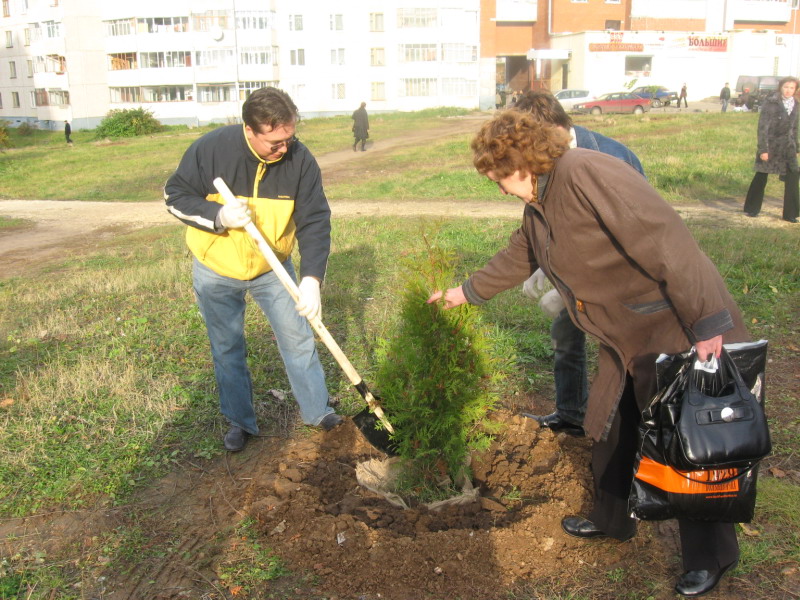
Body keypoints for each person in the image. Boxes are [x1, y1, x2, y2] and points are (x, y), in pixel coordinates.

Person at [427, 110, 749, 597]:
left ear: (525, 161)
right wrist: (466, 292)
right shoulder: (540, 198)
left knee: (688, 446)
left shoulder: (587, 173)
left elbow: (669, 242)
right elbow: (525, 250)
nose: (497, 187)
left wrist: (707, 323)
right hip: (622, 336)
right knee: (613, 428)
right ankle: (611, 519)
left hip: (671, 327)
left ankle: (713, 556)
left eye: (500, 177)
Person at [164, 86, 342, 452]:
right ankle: (239, 421)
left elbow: (315, 220)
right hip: (216, 267)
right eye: (275, 142)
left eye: (289, 138)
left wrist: (311, 279)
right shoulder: (211, 149)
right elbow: (174, 196)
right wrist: (218, 216)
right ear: (249, 130)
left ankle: (318, 411)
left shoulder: (300, 160)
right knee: (227, 346)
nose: (285, 148)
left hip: (272, 268)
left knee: (298, 338)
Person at [512, 91, 645, 436]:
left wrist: (580, 287)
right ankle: (571, 415)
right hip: (573, 270)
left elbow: (627, 241)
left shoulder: (612, 159)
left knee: (618, 351)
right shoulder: (546, 159)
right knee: (565, 334)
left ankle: (625, 429)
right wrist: (545, 263)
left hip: (621, 277)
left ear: (558, 127)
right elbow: (551, 220)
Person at [743, 76, 800, 223]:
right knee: (761, 176)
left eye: (792, 88)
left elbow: (794, 128)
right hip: (771, 146)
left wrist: (797, 146)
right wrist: (763, 149)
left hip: (788, 148)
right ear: (781, 87)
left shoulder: (796, 104)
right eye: (786, 87)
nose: (788, 90)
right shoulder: (771, 103)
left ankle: (790, 214)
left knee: (793, 177)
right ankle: (751, 209)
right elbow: (762, 128)